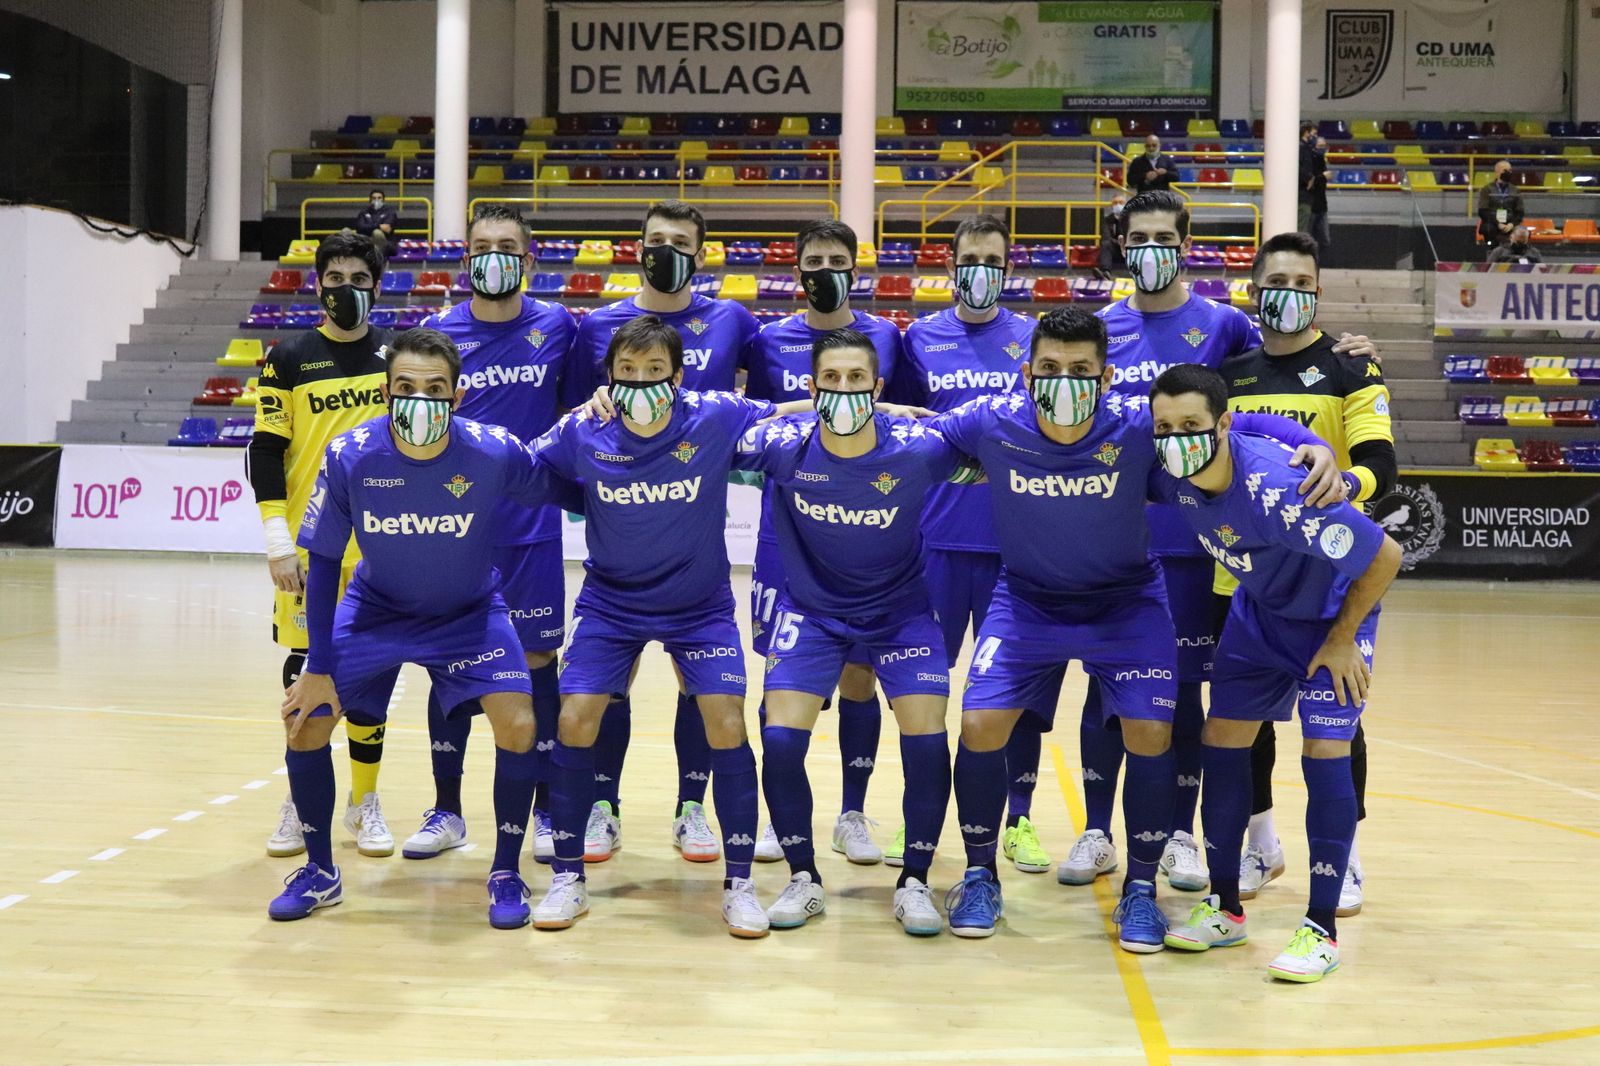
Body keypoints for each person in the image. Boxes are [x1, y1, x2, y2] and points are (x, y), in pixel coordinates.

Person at [925, 307, 1342, 947]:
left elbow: (1237, 418)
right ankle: (980, 875)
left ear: (1106, 375)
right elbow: (911, 432)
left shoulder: (1137, 425)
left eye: (1080, 370)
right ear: (1026, 371)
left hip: (1126, 603)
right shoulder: (991, 421)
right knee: (979, 722)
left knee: (1151, 730)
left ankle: (1141, 888)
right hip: (1027, 601)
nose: (1064, 380)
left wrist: (1303, 442)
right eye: (1050, 368)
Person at [1069, 194, 1380, 895]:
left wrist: (1350, 352)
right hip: (1120, 543)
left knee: (1207, 703)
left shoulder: (1226, 325)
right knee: (1109, 688)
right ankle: (1097, 827)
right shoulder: (1098, 328)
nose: (1151, 248)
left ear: (1185, 244)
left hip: (1210, 552)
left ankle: (1194, 835)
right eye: (1138, 237)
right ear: (1121, 241)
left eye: (1164, 237)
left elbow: (1265, 397)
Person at [271, 328, 554, 929]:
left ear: (456, 397)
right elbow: (323, 562)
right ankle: (321, 871)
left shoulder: (494, 449)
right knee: (305, 722)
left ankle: (505, 869)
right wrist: (317, 667)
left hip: (471, 614)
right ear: (386, 391)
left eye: (434, 389)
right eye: (406, 388)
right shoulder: (351, 454)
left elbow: (566, 482)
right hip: (376, 609)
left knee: (520, 724)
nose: (420, 400)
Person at [526, 316, 784, 938]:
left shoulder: (715, 414)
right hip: (611, 603)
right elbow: (528, 468)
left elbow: (787, 414)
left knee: (726, 719)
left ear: (678, 375)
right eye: (627, 371)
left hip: (700, 605)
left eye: (654, 371)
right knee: (573, 718)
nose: (640, 380)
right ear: (608, 376)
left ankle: (740, 884)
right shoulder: (585, 428)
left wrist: (889, 412)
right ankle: (568, 878)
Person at [1150, 363, 1401, 983]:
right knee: (1221, 740)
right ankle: (1227, 908)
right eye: (1166, 427)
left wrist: (1343, 639)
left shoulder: (1280, 492)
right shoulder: (1172, 469)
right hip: (1259, 615)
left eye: (1192, 426)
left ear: (1221, 425)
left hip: (1330, 621)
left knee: (1324, 750)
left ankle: (1320, 929)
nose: (1177, 437)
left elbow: (1385, 555)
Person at [733, 329, 971, 936]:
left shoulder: (918, 447)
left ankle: (915, 878)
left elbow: (994, 449)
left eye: (856, 380)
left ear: (878, 387)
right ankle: (804, 878)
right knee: (781, 742)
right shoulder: (785, 445)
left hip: (901, 614)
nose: (843, 391)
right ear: (812, 388)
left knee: (925, 738)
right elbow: (705, 428)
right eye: (830, 380)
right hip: (811, 613)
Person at [567, 200, 762, 863]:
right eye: (656, 240)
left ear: (701, 253)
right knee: (606, 682)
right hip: (622, 521)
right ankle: (602, 805)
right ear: (638, 245)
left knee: (698, 684)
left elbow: (759, 408)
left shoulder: (732, 318)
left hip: (694, 513)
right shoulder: (597, 324)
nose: (666, 250)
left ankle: (692, 806)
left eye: (681, 242)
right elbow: (579, 410)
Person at [1222, 231, 1396, 918]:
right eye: (1276, 282)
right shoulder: (1232, 374)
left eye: (1301, 282)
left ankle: (1343, 850)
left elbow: (1383, 464)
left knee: (1337, 722)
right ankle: (1260, 841)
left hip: (1328, 581)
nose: (1287, 294)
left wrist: (1340, 483)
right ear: (1254, 292)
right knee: (1248, 719)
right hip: (1244, 580)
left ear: (1317, 293)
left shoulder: (1353, 368)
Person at [405, 203, 582, 865]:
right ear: (467, 259)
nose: (494, 256)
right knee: (449, 662)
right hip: (458, 533)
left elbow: (584, 408)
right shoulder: (437, 335)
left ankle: (542, 809)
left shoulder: (560, 326)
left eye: (507, 246)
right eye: (483, 246)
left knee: (537, 664)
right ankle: (448, 809)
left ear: (529, 260)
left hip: (532, 530)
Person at [886, 214, 1058, 876]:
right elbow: (895, 424)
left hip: (1017, 545)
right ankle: (916, 817)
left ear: (1008, 266)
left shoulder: (1032, 342)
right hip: (931, 542)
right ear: (950, 265)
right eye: (969, 258)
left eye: (992, 258)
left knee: (1015, 692)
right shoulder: (919, 339)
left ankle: (1018, 819)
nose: (980, 269)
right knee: (919, 691)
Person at [742, 218, 907, 865]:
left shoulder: (887, 339)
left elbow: (907, 424)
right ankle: (778, 817)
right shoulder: (766, 341)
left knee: (860, 677)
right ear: (797, 269)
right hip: (785, 537)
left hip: (866, 540)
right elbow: (749, 423)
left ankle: (852, 814)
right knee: (783, 678)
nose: (826, 269)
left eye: (837, 258)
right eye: (814, 259)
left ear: (856, 267)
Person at [249, 230, 395, 861]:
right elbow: (265, 451)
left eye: (358, 280)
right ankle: (301, 800)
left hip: (387, 546)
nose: (346, 291)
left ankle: (364, 800)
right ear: (317, 286)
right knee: (302, 672)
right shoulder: (286, 357)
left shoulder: (398, 356)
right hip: (313, 550)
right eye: (334, 280)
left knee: (369, 676)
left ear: (378, 286)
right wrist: (278, 536)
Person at [1476, 160, 1524, 256]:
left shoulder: (1515, 190)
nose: (1509, 173)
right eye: (1505, 170)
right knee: (1488, 229)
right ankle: (1493, 254)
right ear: (1497, 172)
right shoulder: (1487, 189)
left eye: (1510, 170)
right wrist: (1498, 223)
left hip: (1509, 222)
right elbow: (1483, 211)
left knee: (1523, 232)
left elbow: (1519, 212)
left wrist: (1511, 224)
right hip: (1492, 222)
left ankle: (1515, 256)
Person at [353, 190, 397, 256]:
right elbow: (359, 228)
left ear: (383, 200)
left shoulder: (390, 212)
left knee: (377, 233)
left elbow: (387, 229)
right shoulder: (363, 212)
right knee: (346, 231)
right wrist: (379, 226)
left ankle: (378, 260)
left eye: (379, 198)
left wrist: (368, 227)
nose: (377, 200)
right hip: (366, 241)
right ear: (370, 200)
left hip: (385, 242)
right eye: (374, 198)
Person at [1308, 138, 1332, 253]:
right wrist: (1323, 176)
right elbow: (1310, 181)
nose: (1323, 148)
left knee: (1325, 239)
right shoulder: (1310, 160)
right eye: (1320, 146)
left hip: (1322, 204)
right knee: (1306, 236)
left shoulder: (1322, 160)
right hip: (1311, 203)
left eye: (1324, 145)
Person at [1096, 194, 1126, 281]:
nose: (1118, 205)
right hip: (1116, 250)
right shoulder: (1107, 220)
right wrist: (1119, 243)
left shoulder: (1131, 219)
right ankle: (1105, 272)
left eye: (1120, 203)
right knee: (1106, 243)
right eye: (1115, 203)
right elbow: (1106, 236)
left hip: (1129, 250)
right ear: (1112, 206)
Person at [1297, 123, 1320, 234]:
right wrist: (1309, 178)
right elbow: (1297, 166)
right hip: (1302, 193)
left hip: (1306, 193)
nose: (1315, 137)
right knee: (1301, 227)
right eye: (1314, 134)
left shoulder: (1308, 149)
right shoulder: (1301, 147)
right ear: (1306, 132)